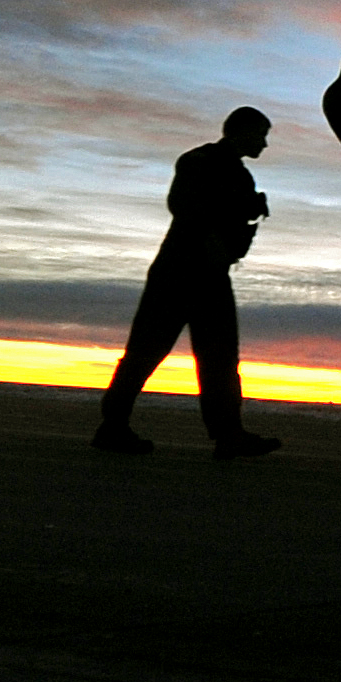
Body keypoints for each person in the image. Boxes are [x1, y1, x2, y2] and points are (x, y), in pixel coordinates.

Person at [93, 106, 282, 459]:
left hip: (213, 275)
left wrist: (249, 210)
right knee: (145, 352)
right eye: (261, 134)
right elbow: (182, 204)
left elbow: (229, 218)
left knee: (221, 357)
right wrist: (213, 232)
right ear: (240, 131)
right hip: (177, 272)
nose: (265, 144)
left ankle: (229, 436)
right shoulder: (198, 160)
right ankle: (113, 426)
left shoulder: (241, 175)